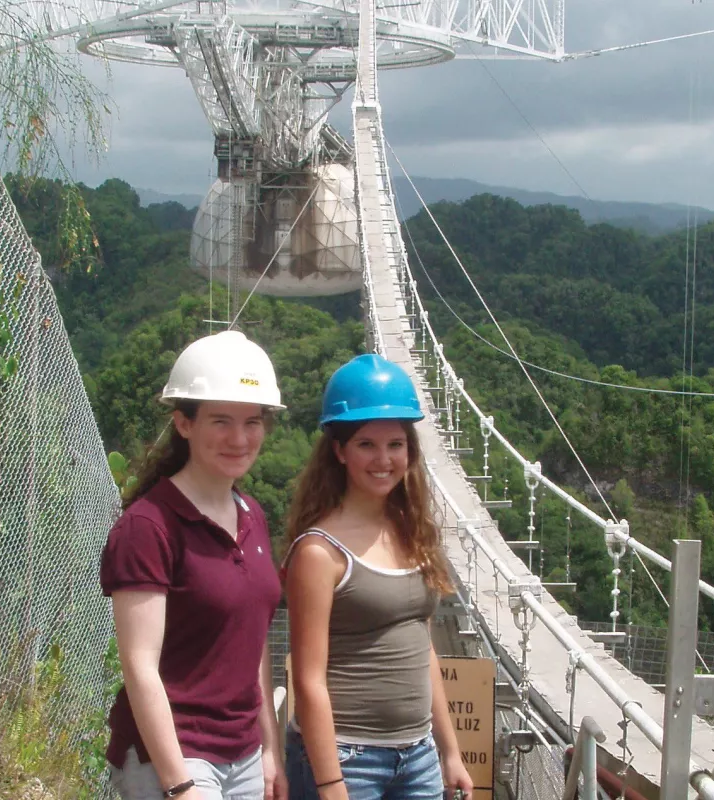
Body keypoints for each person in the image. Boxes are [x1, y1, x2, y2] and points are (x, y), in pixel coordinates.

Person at [99, 330, 288, 800]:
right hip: (174, 755)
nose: (240, 438)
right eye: (220, 421)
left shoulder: (252, 515)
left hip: (242, 755)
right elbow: (138, 664)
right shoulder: (150, 526)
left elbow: (253, 641)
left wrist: (268, 748)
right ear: (183, 423)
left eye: (253, 421)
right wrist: (180, 785)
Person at [281, 353, 474, 800]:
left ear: (410, 450)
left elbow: (422, 648)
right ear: (339, 451)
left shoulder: (413, 533)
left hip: (418, 756)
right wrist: (330, 784)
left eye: (395, 444)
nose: (383, 459)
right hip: (347, 759)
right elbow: (307, 680)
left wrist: (449, 753)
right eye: (366, 444)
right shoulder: (319, 551)